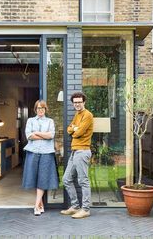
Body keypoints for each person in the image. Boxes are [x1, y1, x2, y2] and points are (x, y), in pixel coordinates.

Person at [22, 100, 58, 216]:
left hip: (46, 153)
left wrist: (36, 132)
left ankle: (36, 205)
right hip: (32, 152)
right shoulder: (30, 120)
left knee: (42, 178)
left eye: (42, 108)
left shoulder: (50, 121)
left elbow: (51, 135)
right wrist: (44, 135)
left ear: (45, 109)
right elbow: (29, 136)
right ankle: (40, 203)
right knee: (34, 177)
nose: (40, 110)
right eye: (38, 108)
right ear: (35, 109)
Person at [60, 91, 94, 219]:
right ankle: (75, 206)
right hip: (75, 152)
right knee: (66, 179)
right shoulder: (77, 114)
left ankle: (85, 209)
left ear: (84, 102)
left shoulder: (88, 115)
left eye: (79, 102)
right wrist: (74, 129)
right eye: (75, 103)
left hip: (83, 151)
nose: (77, 104)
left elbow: (77, 132)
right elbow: (69, 128)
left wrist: (75, 130)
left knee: (83, 181)